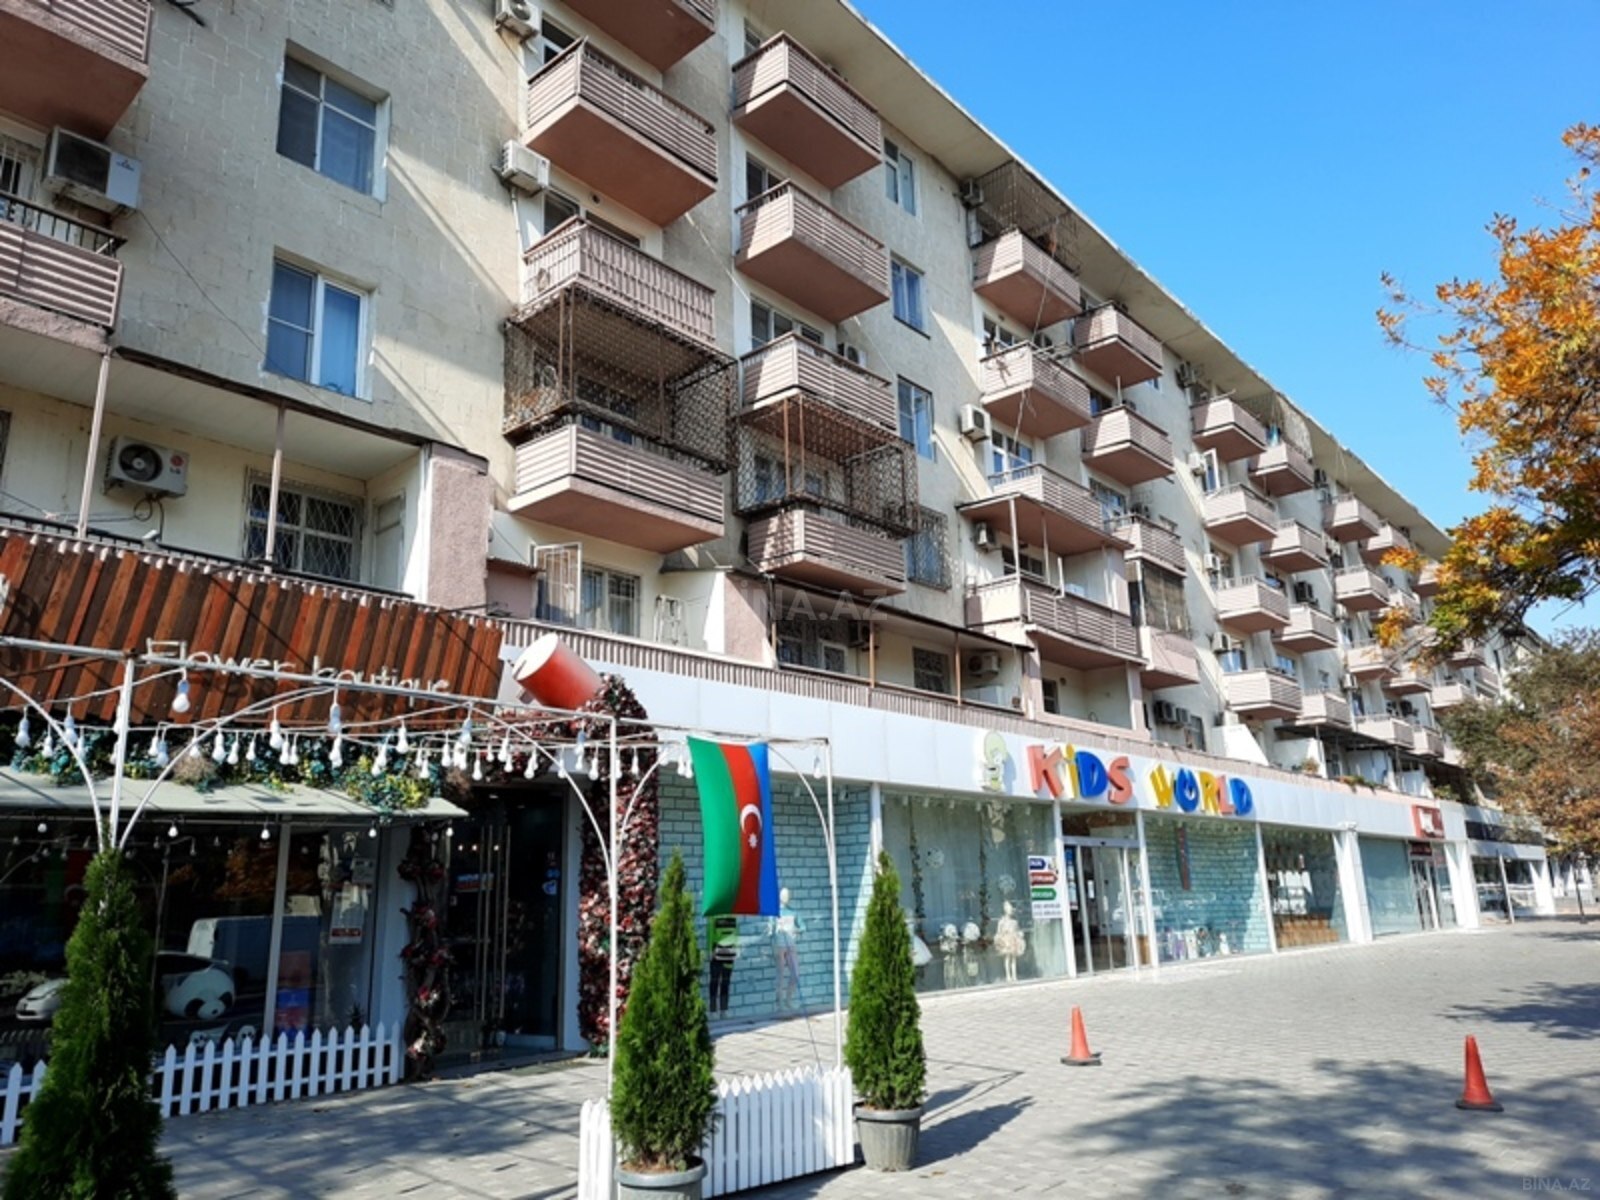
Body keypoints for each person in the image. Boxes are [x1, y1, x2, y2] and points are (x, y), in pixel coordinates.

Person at [769, 887, 805, 1011]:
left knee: (795, 974)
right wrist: (773, 931)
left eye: (788, 895)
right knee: (780, 975)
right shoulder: (774, 913)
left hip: (791, 945)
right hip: (779, 946)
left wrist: (796, 930)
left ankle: (788, 1000)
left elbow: (803, 927)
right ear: (780, 897)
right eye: (784, 895)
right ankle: (779, 1003)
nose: (786, 897)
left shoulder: (793, 912)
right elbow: (770, 931)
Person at [707, 915, 739, 1017]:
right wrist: (710, 950)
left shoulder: (733, 918)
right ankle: (712, 1010)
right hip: (716, 951)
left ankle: (724, 1009)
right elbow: (710, 934)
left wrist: (736, 949)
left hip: (729, 952)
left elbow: (736, 935)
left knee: (725, 982)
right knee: (714, 981)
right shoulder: (714, 917)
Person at [993, 899, 1025, 983]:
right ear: (1005, 910)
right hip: (1006, 941)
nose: (1011, 911)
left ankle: (1014, 975)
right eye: (1009, 909)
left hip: (1013, 940)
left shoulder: (1014, 922)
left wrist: (1019, 934)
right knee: (1007, 958)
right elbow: (999, 932)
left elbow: (1017, 930)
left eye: (1011, 909)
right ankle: (1008, 975)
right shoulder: (1002, 922)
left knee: (1013, 958)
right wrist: (999, 939)